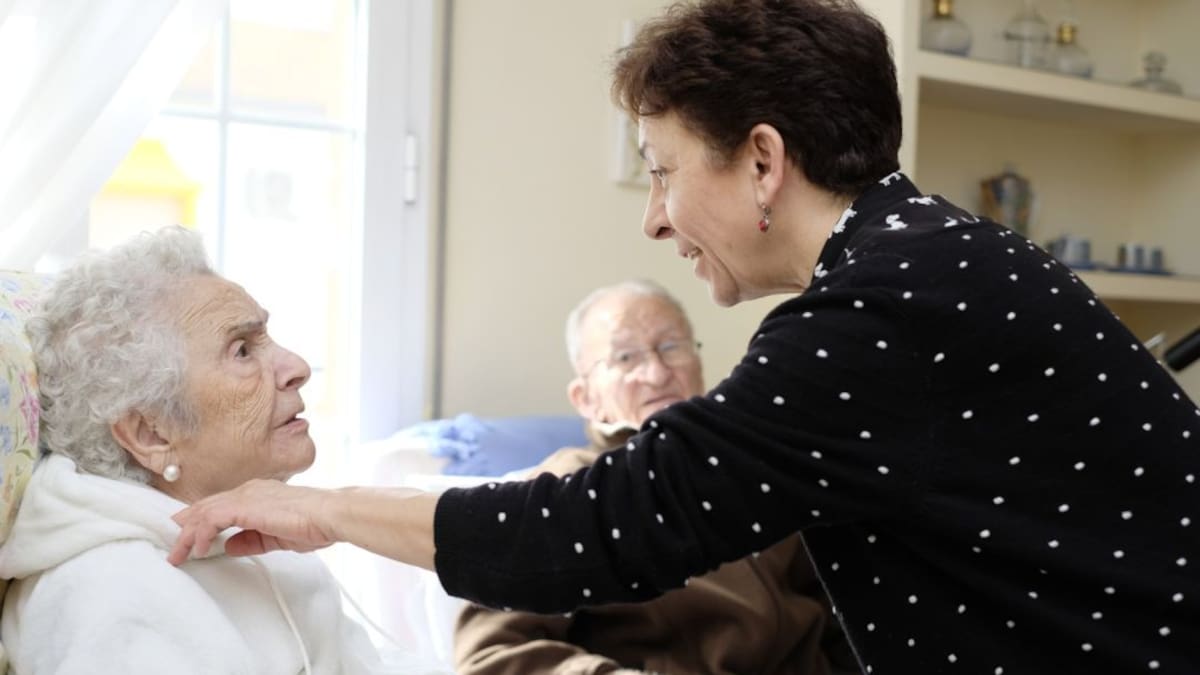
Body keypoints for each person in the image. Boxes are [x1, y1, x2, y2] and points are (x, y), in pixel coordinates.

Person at [170, 1, 1200, 672]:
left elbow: (606, 526)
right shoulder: (931, 255)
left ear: (761, 162)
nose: (655, 216)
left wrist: (320, 507)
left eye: (663, 169)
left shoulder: (871, 316)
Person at [0, 227, 447, 674]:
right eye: (242, 350)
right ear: (151, 434)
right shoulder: (107, 596)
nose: (297, 367)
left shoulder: (255, 549)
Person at [455, 279, 853, 675]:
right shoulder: (562, 489)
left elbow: (847, 618)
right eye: (625, 357)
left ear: (698, 363)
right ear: (585, 398)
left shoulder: (759, 473)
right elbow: (493, 654)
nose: (657, 373)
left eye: (670, 347)